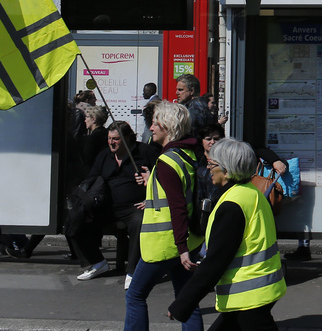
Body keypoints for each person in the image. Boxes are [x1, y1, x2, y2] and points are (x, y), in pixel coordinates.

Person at [168, 138, 286, 330]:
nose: (208, 168)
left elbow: (216, 261)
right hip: (259, 291)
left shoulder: (232, 205)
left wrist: (183, 303)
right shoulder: (251, 193)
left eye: (212, 164)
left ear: (227, 170)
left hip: (248, 295)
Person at [125, 101, 204, 331]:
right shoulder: (186, 154)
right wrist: (152, 182)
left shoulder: (167, 162)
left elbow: (177, 206)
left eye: (154, 123)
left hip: (164, 244)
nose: (151, 128)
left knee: (135, 295)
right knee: (186, 301)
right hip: (184, 241)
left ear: (167, 126)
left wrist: (180, 248)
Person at [71, 122, 157, 287]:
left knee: (139, 222)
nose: (112, 142)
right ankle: (96, 262)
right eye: (110, 139)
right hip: (106, 206)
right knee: (76, 218)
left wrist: (150, 195)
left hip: (134, 206)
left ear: (127, 138)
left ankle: (133, 271)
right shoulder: (104, 155)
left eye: (116, 139)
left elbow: (161, 177)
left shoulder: (145, 152)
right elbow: (92, 178)